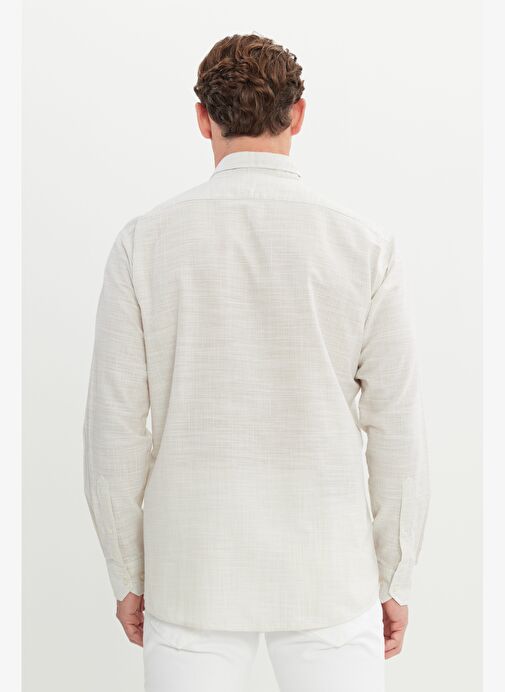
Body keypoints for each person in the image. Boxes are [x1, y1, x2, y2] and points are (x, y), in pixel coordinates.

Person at [83, 33, 430, 692]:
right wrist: (395, 574)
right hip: (330, 573)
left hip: (193, 571)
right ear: (298, 115)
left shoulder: (143, 244)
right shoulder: (365, 246)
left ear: (202, 118)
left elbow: (114, 429)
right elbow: (397, 429)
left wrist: (127, 573)